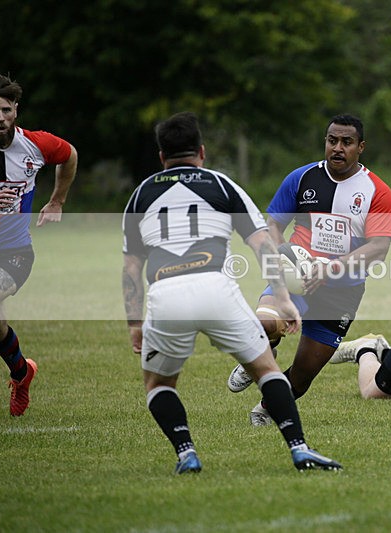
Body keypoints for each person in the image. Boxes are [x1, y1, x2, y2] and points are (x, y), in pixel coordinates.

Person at [122, 111, 341, 474]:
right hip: (215, 289)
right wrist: (284, 300)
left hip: (166, 294)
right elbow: (262, 245)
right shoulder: (222, 186)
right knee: (266, 369)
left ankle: (186, 453)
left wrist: (134, 321)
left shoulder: (142, 194)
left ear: (161, 156)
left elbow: (130, 268)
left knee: (158, 383)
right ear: (202, 152)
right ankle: (299, 448)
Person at [226, 114, 391, 426]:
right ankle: (259, 358)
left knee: (303, 377)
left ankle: (265, 408)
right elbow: (274, 224)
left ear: (361, 147)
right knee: (263, 324)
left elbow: (379, 247)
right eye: (332, 141)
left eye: (347, 142)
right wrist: (280, 258)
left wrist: (329, 268)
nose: (338, 148)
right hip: (293, 277)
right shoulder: (301, 178)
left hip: (342, 293)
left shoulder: (376, 191)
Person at [0, 73, 78, 416]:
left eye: (6, 110)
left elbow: (70, 154)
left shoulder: (36, 144)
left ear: (16, 109)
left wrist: (57, 199)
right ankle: (22, 373)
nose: (0, 118)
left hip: (14, 254)